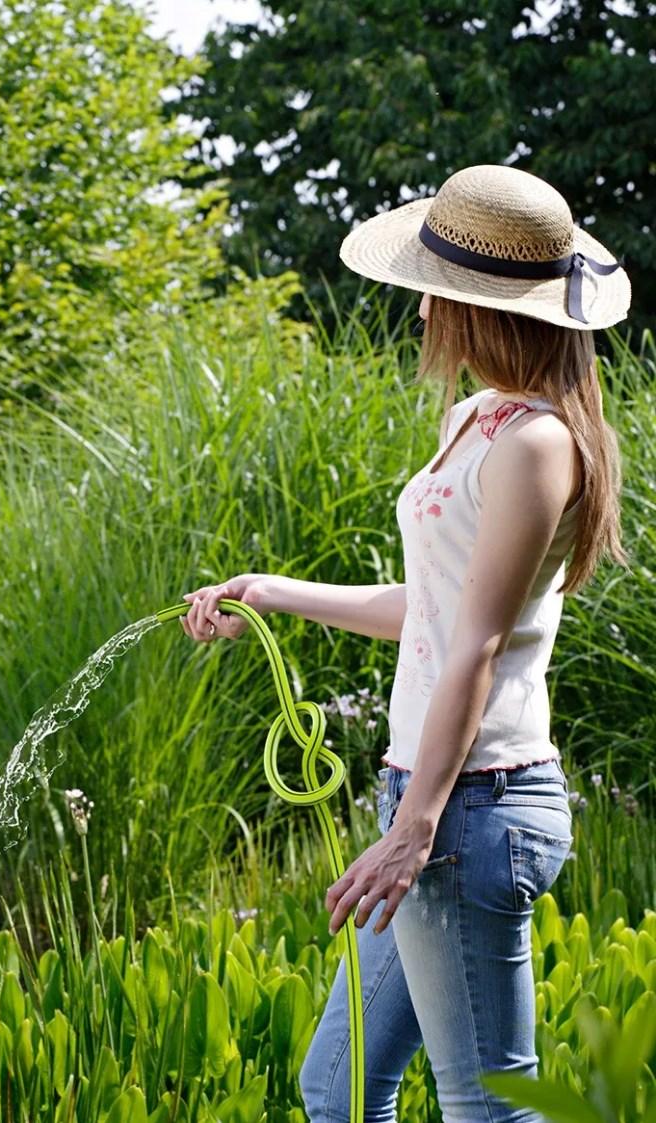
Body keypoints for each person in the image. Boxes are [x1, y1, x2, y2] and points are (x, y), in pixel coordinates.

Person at [180, 164, 631, 1122]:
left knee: (490, 1102)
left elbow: (473, 646)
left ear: (478, 307)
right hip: (431, 800)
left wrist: (414, 829)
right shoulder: (475, 420)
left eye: (437, 287)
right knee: (337, 1091)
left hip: (473, 810)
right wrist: (270, 591)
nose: (422, 306)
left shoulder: (538, 444)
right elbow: (431, 606)